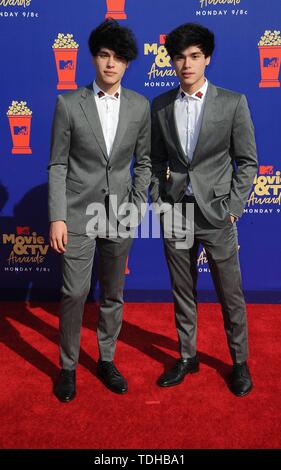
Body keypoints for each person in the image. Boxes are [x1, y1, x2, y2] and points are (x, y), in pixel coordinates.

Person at [150, 23, 258, 397]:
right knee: (182, 291)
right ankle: (186, 356)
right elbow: (153, 161)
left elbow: (248, 163)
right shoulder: (161, 105)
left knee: (231, 293)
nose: (187, 64)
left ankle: (240, 362)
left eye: (195, 56)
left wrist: (233, 209)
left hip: (217, 215)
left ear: (207, 58)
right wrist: (161, 203)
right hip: (176, 213)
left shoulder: (233, 103)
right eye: (179, 56)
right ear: (172, 60)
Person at [48, 19, 151, 401]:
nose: (111, 64)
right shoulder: (68, 103)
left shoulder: (140, 106)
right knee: (74, 293)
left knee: (113, 292)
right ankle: (68, 366)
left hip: (120, 213)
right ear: (94, 58)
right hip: (76, 212)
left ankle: (106, 358)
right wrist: (57, 216)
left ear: (127, 64)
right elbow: (58, 164)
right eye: (105, 55)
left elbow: (145, 163)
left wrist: (138, 206)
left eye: (119, 58)